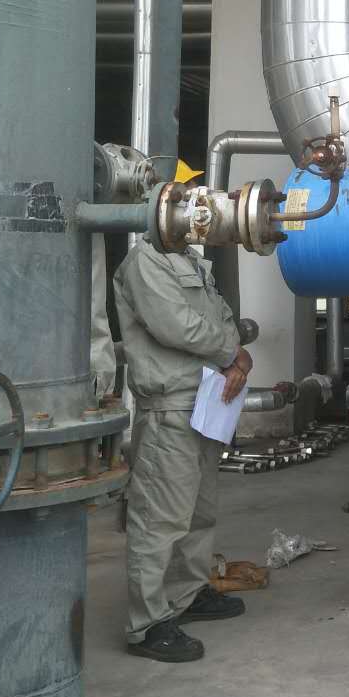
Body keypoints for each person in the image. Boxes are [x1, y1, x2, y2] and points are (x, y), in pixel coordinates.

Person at [114, 238, 252, 663]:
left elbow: (222, 316)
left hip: (205, 401)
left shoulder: (189, 259)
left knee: (197, 513)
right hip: (169, 407)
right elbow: (175, 324)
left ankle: (187, 594)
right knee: (160, 520)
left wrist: (233, 359)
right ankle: (147, 624)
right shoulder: (145, 261)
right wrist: (232, 353)